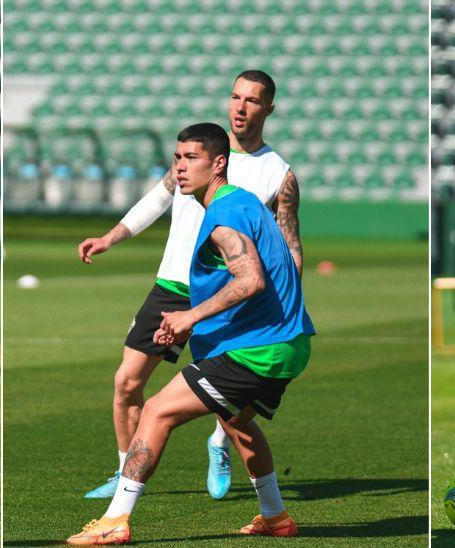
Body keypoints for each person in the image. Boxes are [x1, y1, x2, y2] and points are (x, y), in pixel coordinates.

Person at [68, 122, 314, 545]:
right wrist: (189, 323)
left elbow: (251, 279)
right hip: (286, 343)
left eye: (191, 159)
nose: (180, 168)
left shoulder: (223, 212)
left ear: (219, 163)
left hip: (261, 349)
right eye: (178, 158)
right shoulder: (239, 202)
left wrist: (188, 317)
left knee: (157, 411)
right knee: (236, 420)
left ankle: (115, 520)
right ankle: (276, 518)